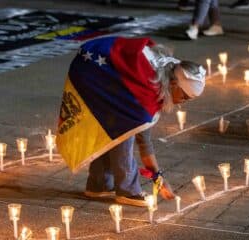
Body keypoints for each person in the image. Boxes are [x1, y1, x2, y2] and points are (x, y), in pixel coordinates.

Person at [56, 36, 206, 207]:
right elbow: (144, 140)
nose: (184, 102)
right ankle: (128, 190)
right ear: (173, 83)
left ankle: (99, 183)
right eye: (185, 97)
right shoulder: (148, 91)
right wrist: (158, 178)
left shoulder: (166, 72)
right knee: (124, 128)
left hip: (102, 69)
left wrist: (158, 177)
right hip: (92, 68)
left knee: (112, 123)